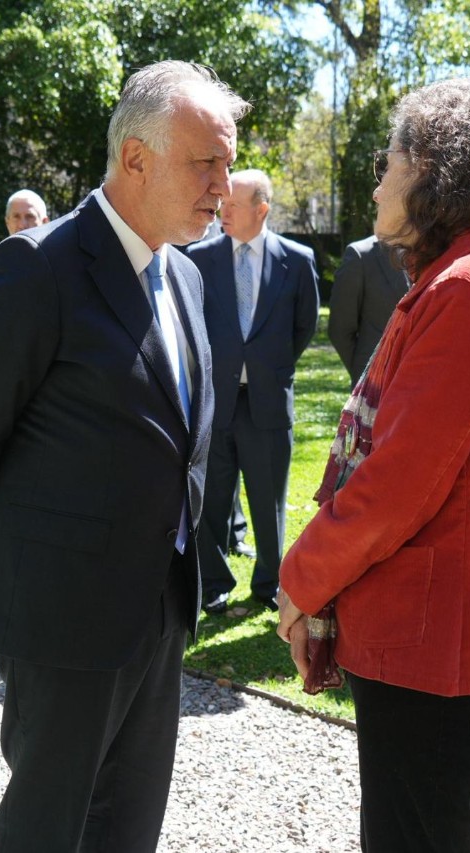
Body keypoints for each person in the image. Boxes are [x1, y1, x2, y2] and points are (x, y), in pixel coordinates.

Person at [0, 61, 248, 851]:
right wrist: (12, 562)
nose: (225, 184)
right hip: (61, 609)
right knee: (48, 824)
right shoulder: (38, 267)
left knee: (130, 823)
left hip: (163, 603)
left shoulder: (187, 275)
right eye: (205, 162)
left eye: (229, 162)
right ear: (135, 158)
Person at [276, 78, 470, 853]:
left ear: (434, 169)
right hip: (445, 647)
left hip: (441, 658)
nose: (377, 180)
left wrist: (301, 580)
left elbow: (394, 489)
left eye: (388, 159)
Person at [185, 169, 320, 614]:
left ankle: (268, 584)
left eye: (233, 204)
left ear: (261, 210)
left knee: (268, 504)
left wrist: (266, 367)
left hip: (267, 402)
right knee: (213, 500)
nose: (223, 209)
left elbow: (303, 328)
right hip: (215, 402)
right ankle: (215, 583)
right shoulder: (201, 258)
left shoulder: (297, 260)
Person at [328, 233, 409, 385]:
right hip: (374, 390)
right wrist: (365, 372)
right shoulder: (360, 255)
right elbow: (340, 329)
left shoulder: (439, 250)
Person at [0, 189, 50, 278]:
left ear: (45, 222)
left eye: (30, 216)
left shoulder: (59, 265)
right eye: (16, 217)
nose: (22, 225)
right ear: (7, 222)